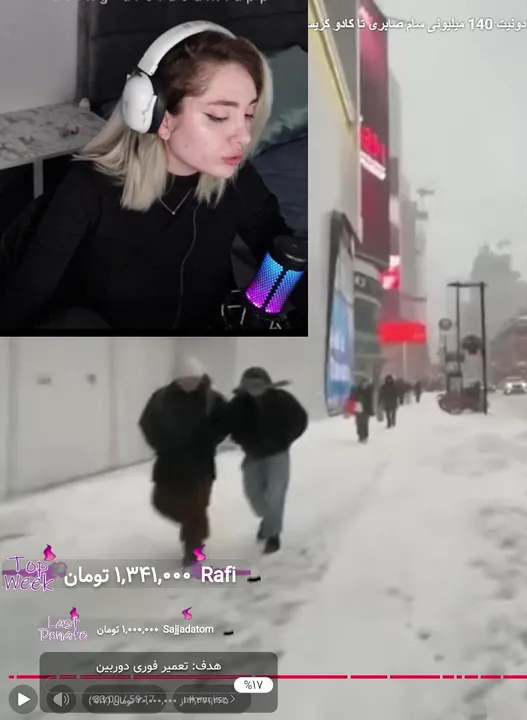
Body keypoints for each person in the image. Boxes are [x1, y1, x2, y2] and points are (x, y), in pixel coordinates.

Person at [0, 25, 289, 331]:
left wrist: (264, 305)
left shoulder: (237, 180)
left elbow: (283, 254)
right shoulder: (88, 188)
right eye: (219, 116)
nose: (244, 136)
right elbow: (24, 301)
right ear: (160, 118)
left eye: (248, 115)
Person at [138, 358, 229, 564]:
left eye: (193, 380)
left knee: (196, 507)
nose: (189, 384)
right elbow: (146, 423)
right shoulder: (161, 398)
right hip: (169, 463)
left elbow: (226, 422)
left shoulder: (212, 399)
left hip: (200, 464)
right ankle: (196, 526)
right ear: (175, 379)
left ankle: (193, 549)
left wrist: (209, 440)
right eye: (184, 380)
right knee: (161, 502)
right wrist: (160, 444)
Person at [224, 367, 308, 554]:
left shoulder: (283, 400)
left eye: (258, 384)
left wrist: (286, 439)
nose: (255, 389)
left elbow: (300, 419)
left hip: (278, 454)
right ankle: (268, 519)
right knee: (253, 494)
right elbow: (228, 424)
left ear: (267, 384)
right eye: (250, 385)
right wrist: (241, 439)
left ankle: (273, 535)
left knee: (275, 494)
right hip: (253, 454)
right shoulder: (238, 404)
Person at [347, 377, 375, 443]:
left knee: (365, 423)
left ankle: (364, 436)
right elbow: (352, 398)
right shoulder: (357, 389)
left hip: (366, 409)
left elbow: (371, 401)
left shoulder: (369, 391)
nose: (364, 385)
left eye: (366, 383)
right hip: (358, 408)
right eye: (363, 383)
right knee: (359, 423)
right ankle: (360, 435)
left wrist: (371, 411)